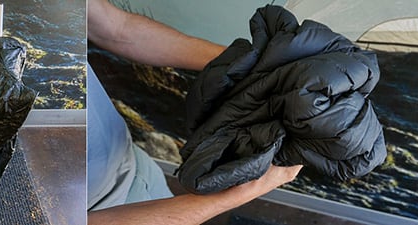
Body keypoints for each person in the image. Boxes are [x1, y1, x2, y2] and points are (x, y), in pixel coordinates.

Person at [86, 0, 303, 224]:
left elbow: (117, 29)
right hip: (89, 206)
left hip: (129, 164)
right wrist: (243, 191)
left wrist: (249, 65)